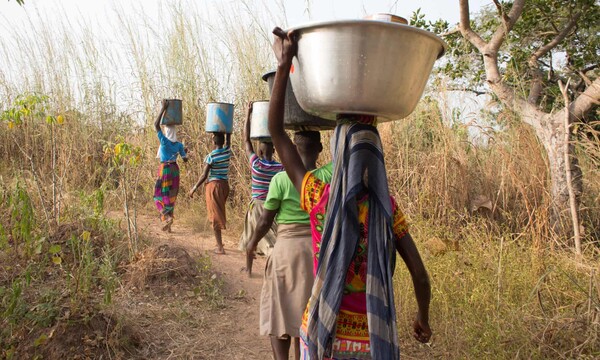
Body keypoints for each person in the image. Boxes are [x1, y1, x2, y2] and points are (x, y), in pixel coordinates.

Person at [268, 27, 432, 359]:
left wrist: (284, 66)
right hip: (371, 338)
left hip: (321, 332)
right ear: (377, 157)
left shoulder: (319, 198)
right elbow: (419, 272)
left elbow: (276, 133)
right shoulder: (388, 209)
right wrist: (422, 317)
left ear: (339, 152)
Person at [246, 130, 331, 360]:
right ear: (320, 149)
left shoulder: (280, 180)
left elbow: (265, 220)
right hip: (316, 253)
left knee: (279, 315)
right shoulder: (328, 175)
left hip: (286, 252)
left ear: (292, 149)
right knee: (306, 315)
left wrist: (252, 242)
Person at [239, 101, 284, 256]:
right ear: (275, 150)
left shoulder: (256, 164)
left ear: (258, 150)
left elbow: (246, 141)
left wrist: (248, 114)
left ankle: (250, 268)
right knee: (271, 238)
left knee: (255, 239)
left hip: (257, 207)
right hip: (273, 208)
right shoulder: (280, 168)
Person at [189, 131, 231, 254]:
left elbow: (204, 175)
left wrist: (194, 188)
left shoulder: (211, 156)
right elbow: (229, 140)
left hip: (214, 186)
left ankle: (219, 247)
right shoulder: (227, 152)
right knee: (218, 211)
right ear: (223, 141)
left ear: (213, 142)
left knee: (215, 215)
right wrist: (227, 129)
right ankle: (220, 243)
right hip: (224, 186)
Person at [154, 99, 188, 232]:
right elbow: (185, 160)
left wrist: (163, 108)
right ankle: (169, 227)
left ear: (166, 131)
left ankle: (166, 217)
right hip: (175, 170)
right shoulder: (179, 145)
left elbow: (156, 124)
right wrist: (185, 153)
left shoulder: (164, 141)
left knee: (158, 194)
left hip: (165, 169)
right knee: (171, 195)